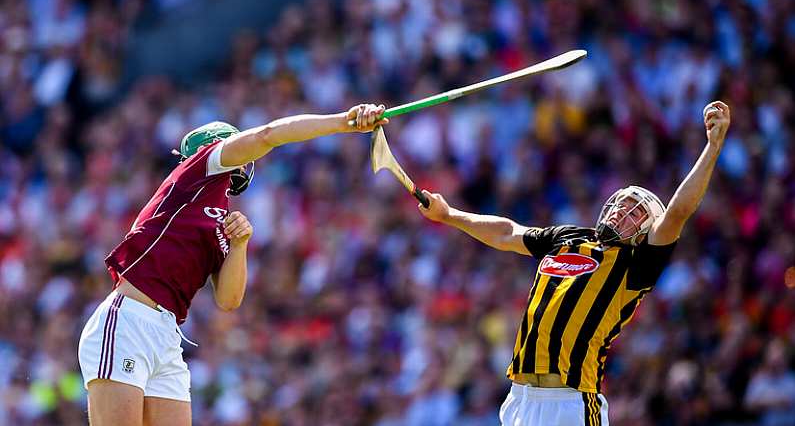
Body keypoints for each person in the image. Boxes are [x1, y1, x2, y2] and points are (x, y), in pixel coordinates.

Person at [417, 101, 731, 425]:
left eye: (636, 212)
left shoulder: (637, 263)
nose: (623, 212)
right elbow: (507, 233)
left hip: (570, 402)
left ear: (646, 230)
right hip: (519, 398)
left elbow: (677, 213)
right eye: (622, 204)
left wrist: (712, 146)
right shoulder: (568, 237)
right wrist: (449, 215)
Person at [77, 104, 388, 425]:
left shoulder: (217, 217)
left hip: (166, 334)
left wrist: (239, 245)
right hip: (129, 320)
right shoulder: (194, 173)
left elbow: (229, 300)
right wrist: (343, 122)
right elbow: (269, 134)